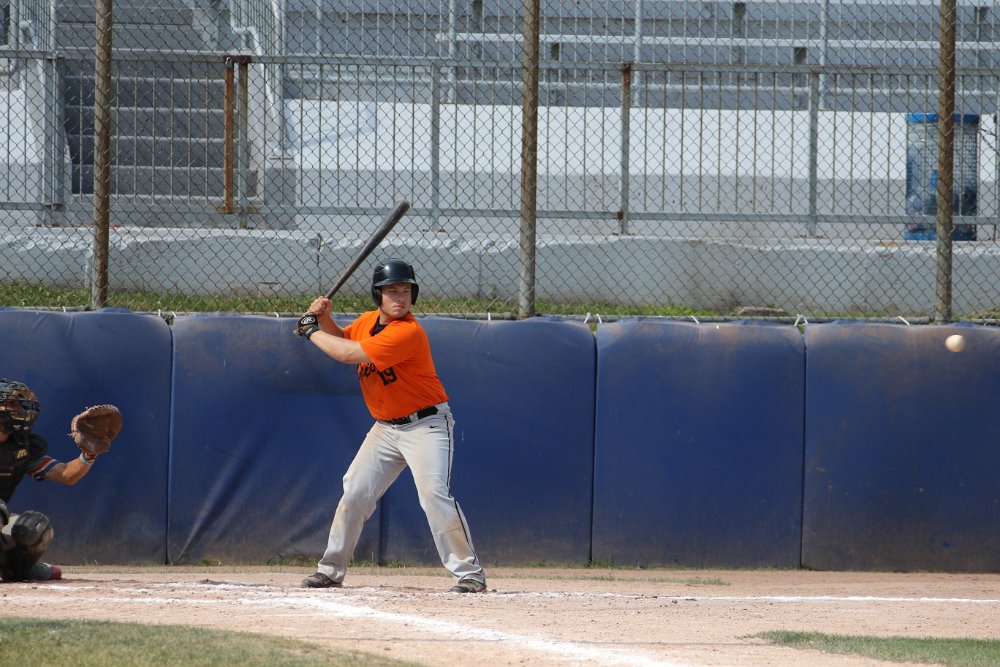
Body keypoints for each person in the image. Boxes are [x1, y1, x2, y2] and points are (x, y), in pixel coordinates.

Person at [294, 258, 487, 593]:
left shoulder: (407, 332)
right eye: (392, 291)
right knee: (355, 492)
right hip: (386, 428)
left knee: (433, 494)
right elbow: (343, 339)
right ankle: (331, 570)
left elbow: (348, 354)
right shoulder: (367, 322)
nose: (400, 297)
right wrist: (323, 320)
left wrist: (311, 330)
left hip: (425, 425)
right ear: (378, 295)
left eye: (406, 291)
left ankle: (469, 573)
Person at [0, 379, 105, 582]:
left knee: (36, 528)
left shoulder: (21, 446)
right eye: (12, 404)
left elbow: (67, 474)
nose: (19, 409)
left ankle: (17, 570)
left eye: (20, 405)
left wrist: (90, 453)